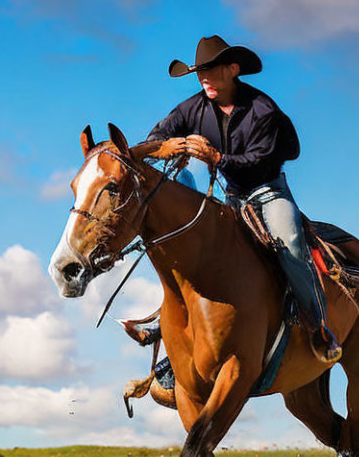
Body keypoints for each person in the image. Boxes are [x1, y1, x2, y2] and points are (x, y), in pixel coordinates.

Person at [146, 35, 342, 362]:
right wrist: (165, 146)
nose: (204, 78)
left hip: (268, 193)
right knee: (184, 241)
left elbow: (260, 161)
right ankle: (167, 334)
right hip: (227, 195)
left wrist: (216, 158)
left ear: (233, 69)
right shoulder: (190, 109)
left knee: (291, 244)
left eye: (211, 70)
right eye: (199, 72)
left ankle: (318, 326)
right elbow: (157, 135)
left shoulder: (262, 110)